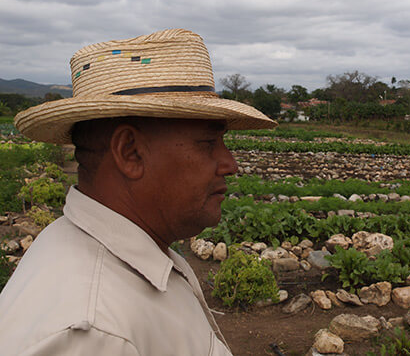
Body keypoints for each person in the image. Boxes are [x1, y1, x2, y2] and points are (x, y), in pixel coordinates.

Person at [0, 29, 276, 355]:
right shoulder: (94, 335)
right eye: (208, 143)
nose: (229, 163)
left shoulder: (92, 254)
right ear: (130, 153)